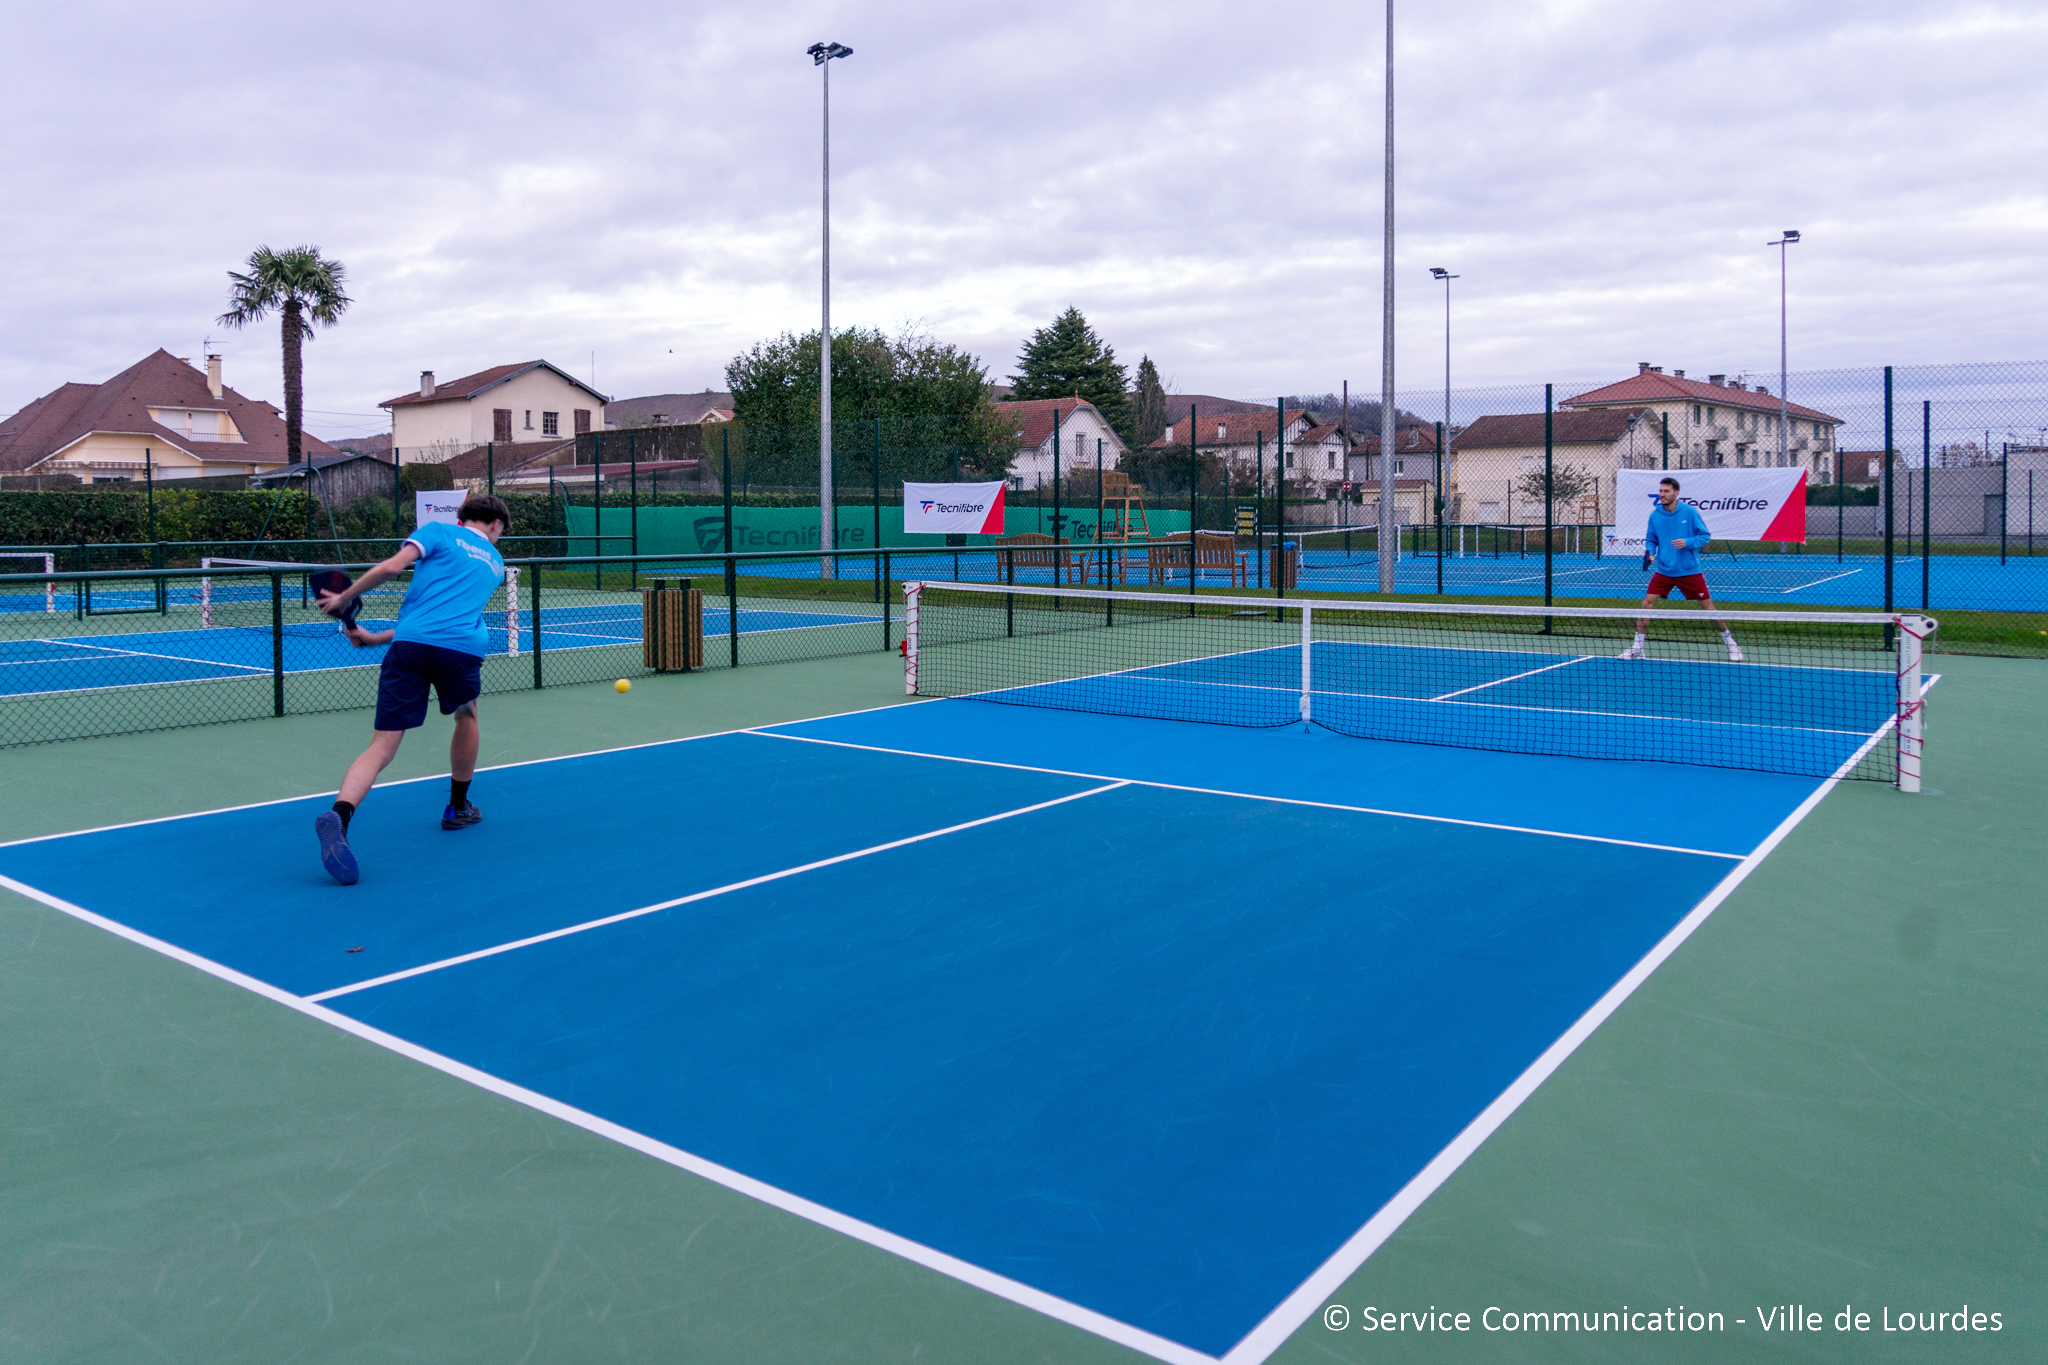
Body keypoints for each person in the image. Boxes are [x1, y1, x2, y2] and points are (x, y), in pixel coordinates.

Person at [310, 495, 510, 884]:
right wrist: (348, 602)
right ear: (496, 525)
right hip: (461, 649)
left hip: (409, 645)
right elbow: (449, 614)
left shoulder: (437, 532)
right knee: (466, 715)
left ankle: (341, 814)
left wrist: (346, 604)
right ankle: (457, 807)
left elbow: (391, 569)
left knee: (382, 745)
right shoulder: (496, 564)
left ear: (462, 518)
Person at [1618, 476, 1743, 663]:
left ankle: (1731, 644)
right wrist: (1651, 553)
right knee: (1647, 604)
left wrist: (1688, 542)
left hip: (1689, 571)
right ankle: (1637, 647)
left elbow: (1705, 536)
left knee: (1708, 608)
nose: (1662, 494)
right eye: (1660, 491)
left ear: (1676, 493)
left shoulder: (1690, 512)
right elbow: (1651, 539)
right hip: (1664, 571)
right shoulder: (1655, 516)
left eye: (1666, 491)